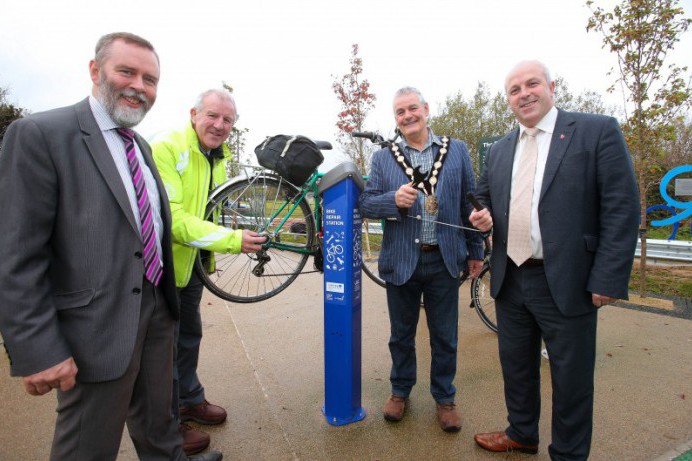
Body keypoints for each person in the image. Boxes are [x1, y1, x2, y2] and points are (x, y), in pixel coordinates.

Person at [0, 32, 221, 461]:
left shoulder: (138, 144)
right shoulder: (41, 134)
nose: (140, 85)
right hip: (95, 325)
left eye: (151, 79)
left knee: (158, 419)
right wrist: (37, 348)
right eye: (127, 71)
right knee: (88, 443)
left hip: (156, 307)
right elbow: (15, 254)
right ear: (95, 70)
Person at [469, 60, 639, 460]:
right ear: (508, 100)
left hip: (567, 279)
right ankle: (522, 434)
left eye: (532, 84)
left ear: (551, 87)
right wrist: (479, 214)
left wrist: (608, 277)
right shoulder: (500, 149)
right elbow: (483, 197)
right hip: (510, 278)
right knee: (516, 368)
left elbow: (621, 208)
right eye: (514, 89)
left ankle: (567, 454)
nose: (524, 93)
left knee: (571, 379)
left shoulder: (597, 131)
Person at [359, 87, 484, 432]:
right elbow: (366, 204)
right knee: (401, 335)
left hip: (444, 259)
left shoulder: (456, 150)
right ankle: (400, 391)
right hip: (401, 260)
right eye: (400, 112)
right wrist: (392, 199)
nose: (407, 116)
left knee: (445, 335)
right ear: (395, 119)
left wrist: (476, 251)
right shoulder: (384, 157)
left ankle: (445, 398)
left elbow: (467, 204)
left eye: (412, 108)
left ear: (426, 109)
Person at [151, 89, 266, 455]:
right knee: (162, 347)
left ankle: (189, 399)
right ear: (193, 114)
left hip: (193, 263)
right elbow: (173, 219)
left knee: (189, 335)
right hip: (161, 266)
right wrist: (232, 240)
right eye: (213, 116)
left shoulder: (216, 156)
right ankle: (168, 425)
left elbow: (210, 207)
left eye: (228, 120)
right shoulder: (167, 147)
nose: (220, 125)